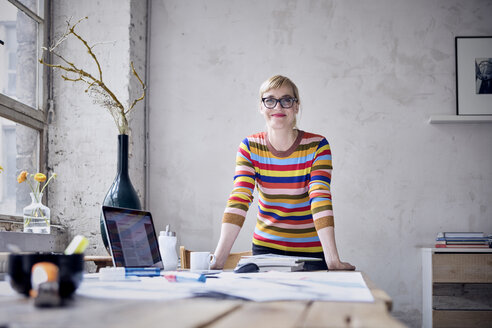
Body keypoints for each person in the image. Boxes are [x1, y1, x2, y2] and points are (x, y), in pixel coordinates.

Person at [211, 75, 355, 271]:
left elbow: (320, 196)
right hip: (265, 252)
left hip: (311, 254)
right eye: (270, 100)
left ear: (296, 106)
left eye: (286, 100)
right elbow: (240, 197)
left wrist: (332, 259)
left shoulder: (318, 146)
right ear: (261, 107)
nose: (278, 107)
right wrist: (219, 259)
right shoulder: (250, 147)